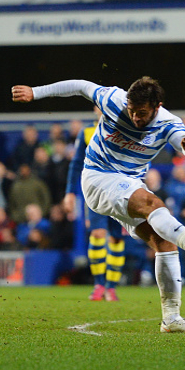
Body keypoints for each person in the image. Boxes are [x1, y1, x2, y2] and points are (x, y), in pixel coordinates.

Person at [12, 77, 185, 333]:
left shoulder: (168, 122)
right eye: (131, 111)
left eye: (141, 113)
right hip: (98, 176)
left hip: (128, 181)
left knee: (163, 241)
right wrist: (35, 92)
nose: (135, 117)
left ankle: (171, 319)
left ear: (157, 107)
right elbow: (80, 86)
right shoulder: (113, 99)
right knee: (152, 203)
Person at [63, 110, 128, 301]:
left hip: (119, 191)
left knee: (117, 238)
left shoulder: (123, 131)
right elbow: (76, 164)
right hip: (95, 192)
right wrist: (70, 193)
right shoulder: (86, 132)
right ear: (95, 108)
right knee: (97, 233)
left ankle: (112, 287)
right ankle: (99, 284)